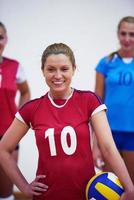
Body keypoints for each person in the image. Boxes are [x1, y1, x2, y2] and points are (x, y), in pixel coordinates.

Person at [0, 43, 134, 200]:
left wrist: (130, 188)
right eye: (51, 69)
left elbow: (108, 148)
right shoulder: (32, 108)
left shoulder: (89, 101)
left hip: (85, 194)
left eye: (64, 69)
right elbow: (3, 149)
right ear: (42, 71)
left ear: (74, 69)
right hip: (47, 195)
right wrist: (24, 186)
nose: (57, 75)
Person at [92, 16, 134, 184]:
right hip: (108, 133)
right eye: (123, 33)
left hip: (132, 133)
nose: (127, 39)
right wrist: (95, 144)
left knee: (131, 186)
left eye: (132, 34)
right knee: (110, 185)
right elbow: (96, 103)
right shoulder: (106, 63)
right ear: (117, 34)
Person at [0, 22, 30, 200]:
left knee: (5, 192)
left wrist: (17, 119)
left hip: (7, 134)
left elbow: (25, 92)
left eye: (0, 37)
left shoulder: (15, 66)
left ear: (6, 39)